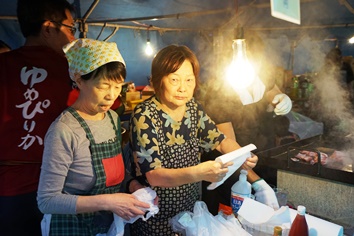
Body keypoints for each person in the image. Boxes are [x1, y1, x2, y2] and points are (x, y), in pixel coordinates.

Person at [129, 44, 258, 235]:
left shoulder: (192, 109)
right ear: (158, 80)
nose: (183, 87)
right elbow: (154, 176)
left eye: (189, 80)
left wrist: (243, 154)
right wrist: (199, 173)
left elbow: (220, 140)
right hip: (154, 216)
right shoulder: (144, 115)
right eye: (174, 80)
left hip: (190, 213)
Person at [37, 38, 153, 236]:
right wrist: (109, 201)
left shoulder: (113, 119)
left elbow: (114, 172)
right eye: (103, 86)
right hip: (72, 226)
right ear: (79, 79)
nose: (112, 96)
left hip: (107, 224)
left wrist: (132, 185)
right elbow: (47, 201)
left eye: (117, 86)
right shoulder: (64, 130)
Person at [0, 0, 76, 235]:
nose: (73, 38)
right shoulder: (72, 71)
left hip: (7, 194)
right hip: (59, 190)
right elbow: (109, 104)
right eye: (70, 29)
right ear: (48, 28)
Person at [198, 33, 291, 215]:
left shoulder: (260, 74)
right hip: (228, 173)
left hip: (260, 158)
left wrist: (280, 98)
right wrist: (257, 182)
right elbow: (229, 148)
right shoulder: (219, 90)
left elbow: (271, 90)